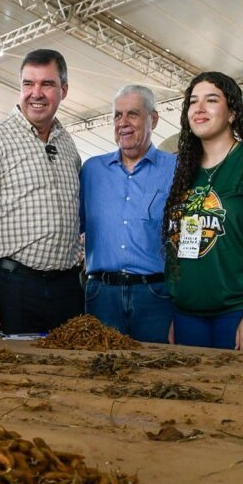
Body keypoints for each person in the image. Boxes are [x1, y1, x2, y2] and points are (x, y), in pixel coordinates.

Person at [0, 49, 82, 334]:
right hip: (12, 286)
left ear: (63, 90)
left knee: (67, 373)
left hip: (65, 288)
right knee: (11, 374)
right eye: (28, 83)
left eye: (46, 84)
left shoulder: (67, 146)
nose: (35, 93)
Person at [161, 72, 243, 350]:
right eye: (193, 102)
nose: (199, 108)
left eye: (211, 100)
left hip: (236, 311)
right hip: (186, 314)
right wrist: (178, 310)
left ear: (231, 113)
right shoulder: (185, 170)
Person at [80, 84, 176, 343]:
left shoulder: (175, 169)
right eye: (117, 115)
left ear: (153, 119)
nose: (123, 123)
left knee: (155, 373)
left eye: (132, 114)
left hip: (155, 295)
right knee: (100, 375)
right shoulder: (91, 171)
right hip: (101, 296)